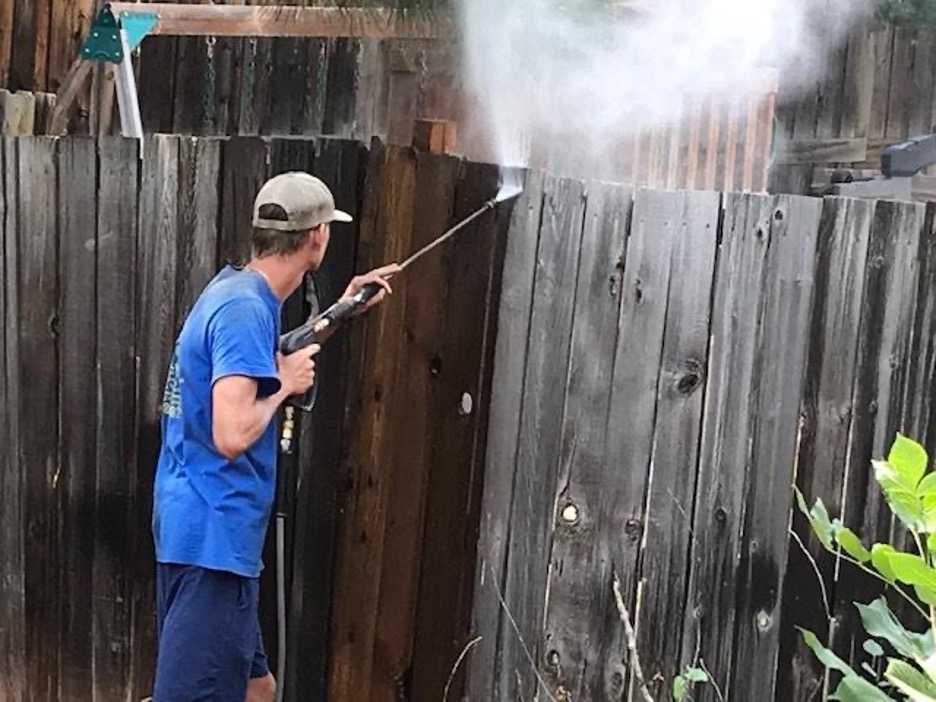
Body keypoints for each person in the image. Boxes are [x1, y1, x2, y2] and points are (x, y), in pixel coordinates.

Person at [151, 172, 399, 702]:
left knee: (256, 689)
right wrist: (284, 385)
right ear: (318, 237)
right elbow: (232, 432)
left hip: (208, 536)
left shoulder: (239, 290)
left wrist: (342, 308)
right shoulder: (244, 311)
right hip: (212, 540)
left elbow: (271, 355)